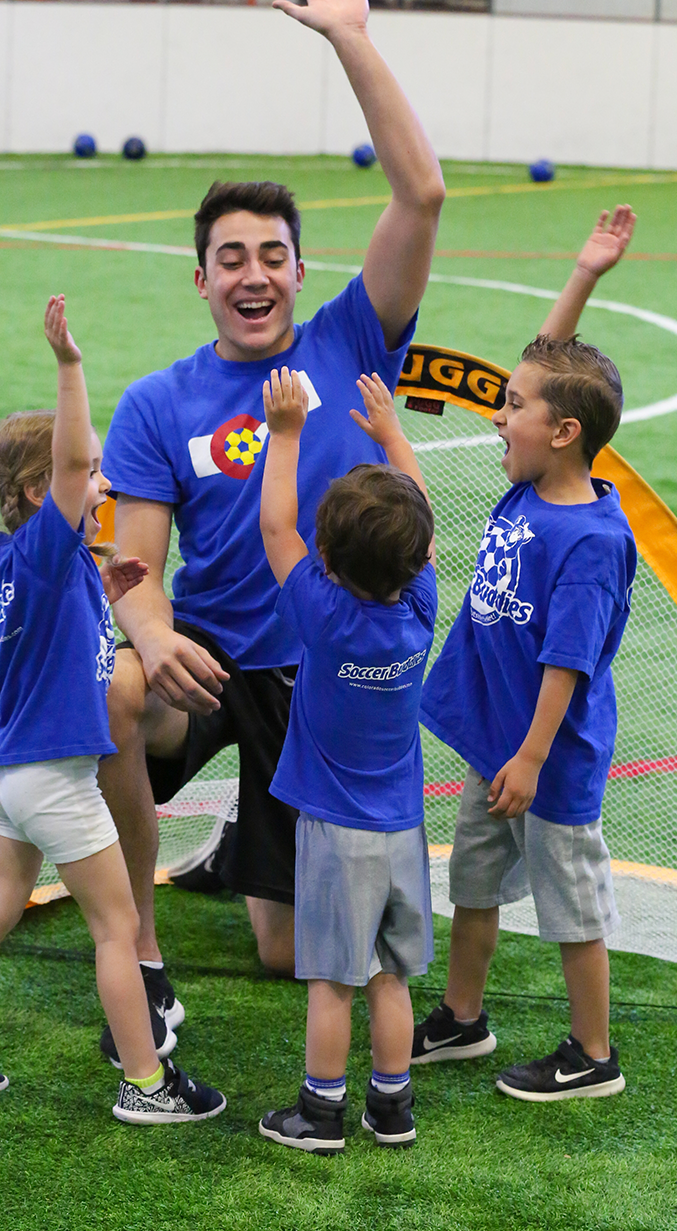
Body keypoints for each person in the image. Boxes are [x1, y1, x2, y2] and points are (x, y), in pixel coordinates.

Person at [97, 0, 445, 1039]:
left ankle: (238, 845)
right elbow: (133, 567)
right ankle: (138, 948)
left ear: (303, 270)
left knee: (292, 952)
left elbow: (421, 192)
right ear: (201, 279)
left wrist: (352, 39)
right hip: (209, 656)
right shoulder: (159, 401)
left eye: (273, 255)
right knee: (110, 687)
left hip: (318, 673)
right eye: (231, 257)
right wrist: (151, 638)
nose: (254, 273)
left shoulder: (355, 336)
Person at [0, 296, 225, 1126]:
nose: (103, 483)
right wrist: (71, 367)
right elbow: (74, 472)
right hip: (52, 777)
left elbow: (50, 616)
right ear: (46, 489)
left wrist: (100, 592)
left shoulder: (15, 559)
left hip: (4, 772)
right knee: (117, 929)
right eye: (90, 474)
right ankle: (149, 1087)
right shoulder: (51, 541)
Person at [411, 206, 639, 1101]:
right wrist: (583, 272)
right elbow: (552, 357)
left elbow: (568, 662)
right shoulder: (532, 480)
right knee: (473, 882)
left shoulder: (586, 539)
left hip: (544, 760)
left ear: (563, 434)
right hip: (495, 746)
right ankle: (464, 1018)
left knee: (571, 906)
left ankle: (592, 1054)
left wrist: (533, 757)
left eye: (511, 408)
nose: (498, 417)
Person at [255, 369, 436, 1152]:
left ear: (326, 557)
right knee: (389, 977)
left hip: (336, 833)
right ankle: (391, 1108)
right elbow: (418, 526)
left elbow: (273, 530)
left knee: (332, 980)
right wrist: (394, 435)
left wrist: (287, 433)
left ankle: (320, 1112)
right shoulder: (421, 609)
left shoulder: (324, 616)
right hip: (404, 832)